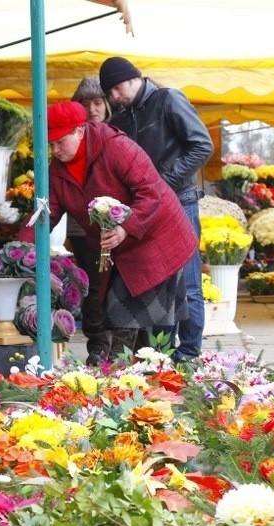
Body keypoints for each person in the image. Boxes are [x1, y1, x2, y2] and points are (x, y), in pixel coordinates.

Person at [20, 101, 197, 359]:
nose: (55, 150)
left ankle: (118, 374)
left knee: (127, 314)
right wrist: (20, 250)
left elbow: (151, 192)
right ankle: (137, 378)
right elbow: (47, 214)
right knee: (126, 318)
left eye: (60, 142)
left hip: (156, 238)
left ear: (79, 131)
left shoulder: (116, 146)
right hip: (120, 249)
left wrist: (126, 227)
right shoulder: (57, 172)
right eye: (51, 145)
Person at [99, 56, 214, 362]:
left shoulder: (167, 100)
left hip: (181, 201)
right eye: (109, 93)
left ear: (133, 77)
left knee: (188, 283)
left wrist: (164, 182)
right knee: (157, 283)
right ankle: (159, 355)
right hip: (146, 209)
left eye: (116, 88)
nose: (114, 97)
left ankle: (188, 353)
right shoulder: (121, 119)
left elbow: (202, 145)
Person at [68, 76, 113, 362]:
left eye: (98, 103)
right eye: (86, 104)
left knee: (115, 283)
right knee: (92, 285)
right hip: (82, 225)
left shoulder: (116, 136)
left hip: (114, 223)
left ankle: (116, 342)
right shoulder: (71, 138)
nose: (93, 109)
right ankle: (97, 344)